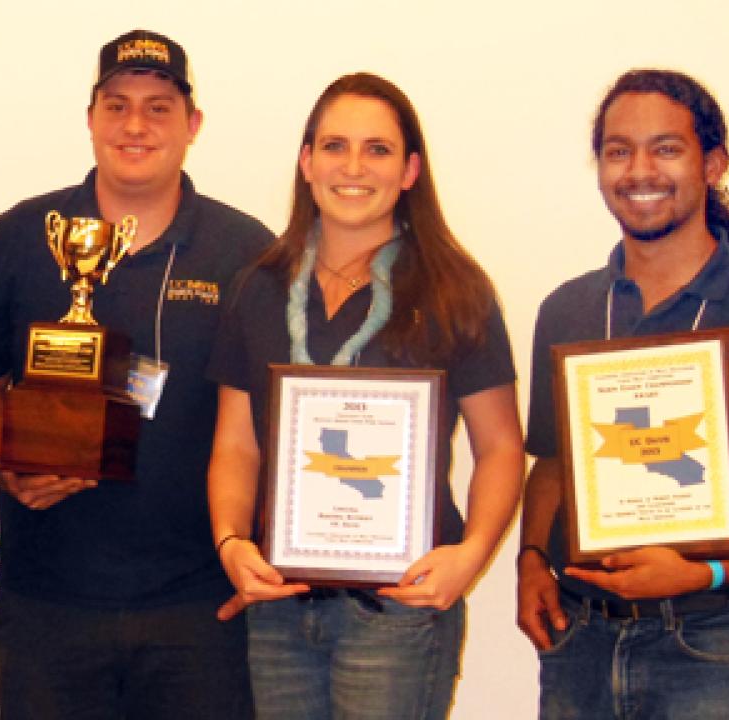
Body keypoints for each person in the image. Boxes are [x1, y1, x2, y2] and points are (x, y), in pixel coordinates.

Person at [0, 28, 274, 719]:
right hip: (48, 603)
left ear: (193, 124)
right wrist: (1, 464)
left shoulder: (245, 249)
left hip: (197, 605)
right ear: (91, 117)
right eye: (117, 105)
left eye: (159, 108)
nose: (135, 126)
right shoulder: (25, 233)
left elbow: (264, 419)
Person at [207, 73, 524, 719]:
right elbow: (236, 445)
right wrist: (231, 543)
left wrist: (469, 557)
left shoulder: (455, 289)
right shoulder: (258, 287)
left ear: (409, 171)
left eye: (377, 149)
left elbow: (500, 447)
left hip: (398, 609)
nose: (353, 167)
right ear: (306, 162)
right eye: (335, 146)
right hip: (277, 607)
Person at [516, 69, 729, 719]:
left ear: (712, 164)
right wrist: (532, 560)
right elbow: (551, 462)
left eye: (666, 149)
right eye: (618, 151)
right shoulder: (568, 309)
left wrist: (705, 572)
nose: (639, 171)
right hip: (580, 638)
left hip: (719, 640)